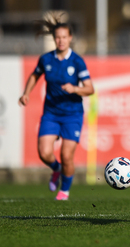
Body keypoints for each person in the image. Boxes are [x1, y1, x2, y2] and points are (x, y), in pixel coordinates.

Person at [18, 14, 94, 200]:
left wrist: (75, 88)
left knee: (67, 155)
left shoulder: (77, 61)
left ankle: (64, 191)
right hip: (51, 113)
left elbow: (90, 88)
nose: (60, 40)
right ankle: (56, 169)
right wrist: (26, 93)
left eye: (64, 37)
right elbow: (35, 75)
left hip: (72, 115)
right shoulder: (46, 59)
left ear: (70, 38)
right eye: (57, 37)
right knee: (44, 153)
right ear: (54, 39)